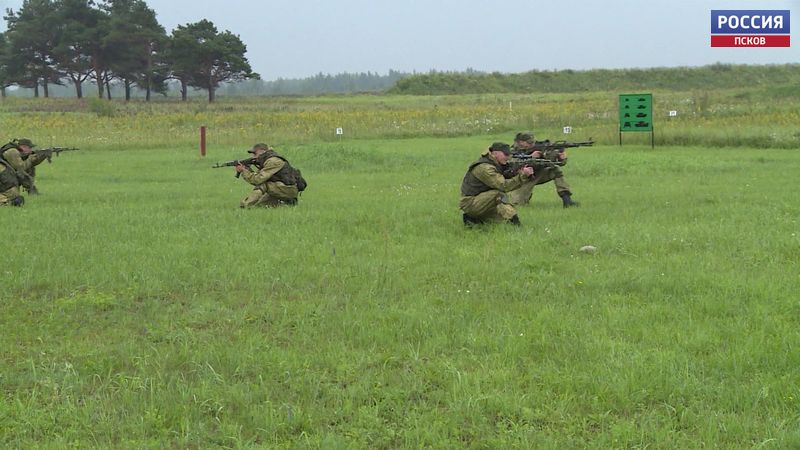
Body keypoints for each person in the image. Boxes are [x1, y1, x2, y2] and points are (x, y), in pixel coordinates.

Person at [460, 142, 534, 226]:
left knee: (500, 222)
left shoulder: (497, 164)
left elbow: (505, 176)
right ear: (495, 153)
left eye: (509, 154)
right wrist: (522, 176)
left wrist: (516, 173)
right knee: (498, 194)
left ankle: (474, 219)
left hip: (484, 201)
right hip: (470, 203)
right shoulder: (485, 168)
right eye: (505, 154)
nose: (508, 157)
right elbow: (503, 186)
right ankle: (514, 221)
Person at [508, 132, 579, 208]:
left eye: (533, 142)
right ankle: (526, 197)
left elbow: (553, 163)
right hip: (521, 179)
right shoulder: (511, 151)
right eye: (529, 143)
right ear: (520, 142)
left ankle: (567, 200)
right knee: (517, 204)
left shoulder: (538, 148)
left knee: (555, 170)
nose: (532, 144)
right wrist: (530, 157)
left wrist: (561, 158)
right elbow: (513, 165)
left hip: (536, 175)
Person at [236, 143, 300, 208]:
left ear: (262, 151)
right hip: (282, 189)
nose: (253, 157)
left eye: (255, 154)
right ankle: (288, 203)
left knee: (263, 185)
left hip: (287, 189)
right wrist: (247, 169)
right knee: (259, 207)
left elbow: (258, 180)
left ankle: (244, 205)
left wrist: (244, 171)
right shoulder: (268, 160)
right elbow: (258, 176)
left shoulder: (273, 161)